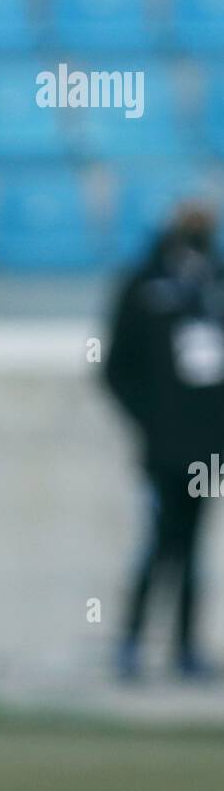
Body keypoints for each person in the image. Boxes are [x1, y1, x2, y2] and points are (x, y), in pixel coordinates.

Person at [105, 201, 224, 680]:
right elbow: (116, 368)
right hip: (162, 449)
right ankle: (132, 643)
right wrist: (150, 420)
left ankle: (185, 649)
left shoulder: (215, 282)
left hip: (210, 448)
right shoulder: (144, 285)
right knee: (157, 543)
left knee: (194, 547)